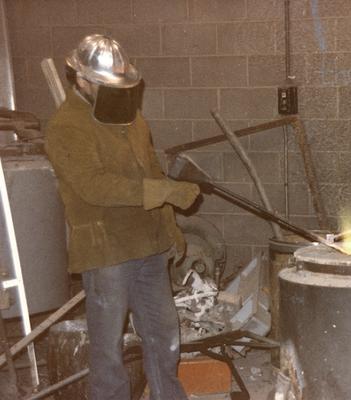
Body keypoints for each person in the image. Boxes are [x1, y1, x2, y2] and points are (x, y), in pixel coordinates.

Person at [45, 34, 199, 400]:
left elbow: (151, 170)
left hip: (148, 245)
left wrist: (170, 227)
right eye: (106, 85)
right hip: (107, 250)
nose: (117, 93)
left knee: (164, 336)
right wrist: (166, 194)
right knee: (108, 350)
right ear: (81, 79)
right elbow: (95, 187)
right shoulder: (66, 127)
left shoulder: (130, 117)